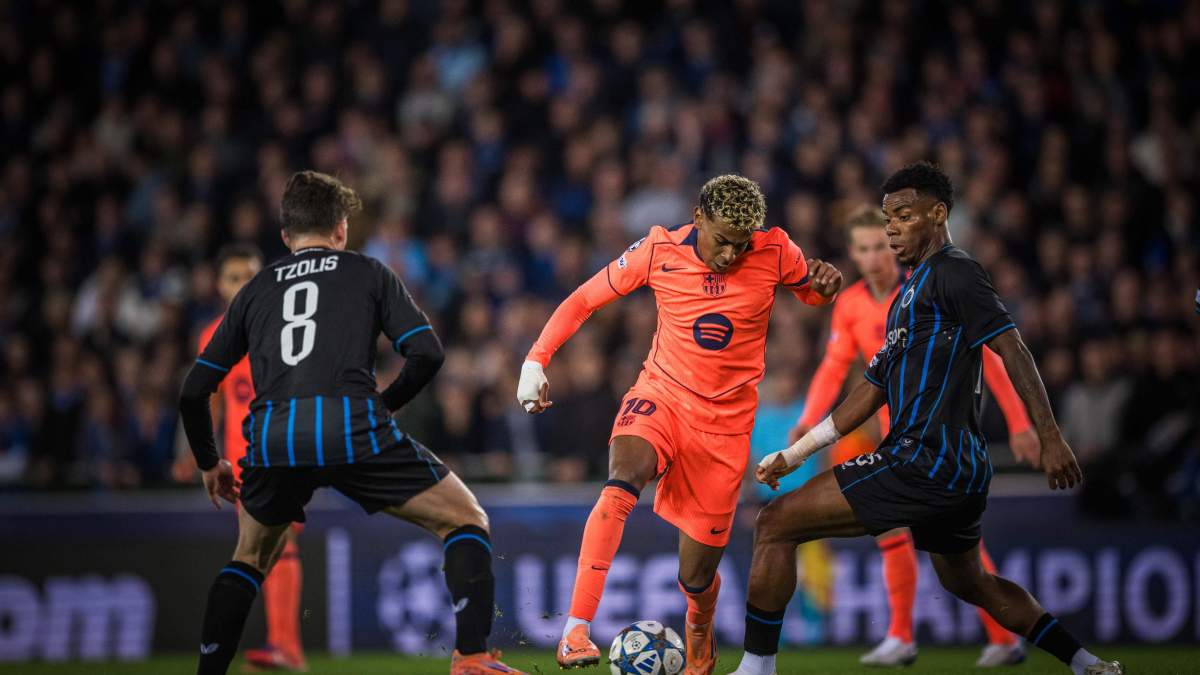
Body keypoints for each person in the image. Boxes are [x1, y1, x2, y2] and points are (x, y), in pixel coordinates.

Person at [730, 162, 1122, 675]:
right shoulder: (907, 297)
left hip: (924, 459)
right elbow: (869, 393)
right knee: (969, 581)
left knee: (775, 522)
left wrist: (1050, 436)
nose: (892, 228)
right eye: (888, 218)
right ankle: (1087, 664)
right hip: (956, 469)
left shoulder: (956, 272)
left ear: (938, 215)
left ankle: (756, 668)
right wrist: (796, 452)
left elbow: (1013, 349)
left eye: (904, 216)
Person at [178, 171, 524, 675]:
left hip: (274, 442)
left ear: (285, 235)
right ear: (341, 229)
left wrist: (210, 463)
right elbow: (427, 353)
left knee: (249, 556)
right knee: (465, 518)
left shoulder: (254, 291)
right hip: (352, 430)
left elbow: (193, 391)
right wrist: (386, 405)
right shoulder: (367, 272)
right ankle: (471, 658)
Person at [517, 174, 842, 673]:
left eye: (741, 245)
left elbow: (811, 296)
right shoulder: (657, 250)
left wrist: (824, 289)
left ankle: (699, 631)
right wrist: (536, 360)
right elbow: (584, 299)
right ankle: (575, 629)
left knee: (696, 577)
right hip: (661, 396)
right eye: (721, 241)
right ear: (698, 219)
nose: (730, 254)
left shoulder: (777, 250)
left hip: (725, 429)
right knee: (622, 479)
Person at [790, 206, 1037, 667]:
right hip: (894, 436)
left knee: (957, 547)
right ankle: (904, 635)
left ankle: (998, 637)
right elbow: (834, 367)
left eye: (879, 247)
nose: (873, 258)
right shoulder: (851, 305)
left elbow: (989, 355)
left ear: (894, 247)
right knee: (891, 533)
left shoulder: (925, 291)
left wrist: (1020, 422)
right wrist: (807, 420)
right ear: (853, 254)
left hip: (936, 435)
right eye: (863, 249)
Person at [173, 243, 309, 671]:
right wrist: (197, 453)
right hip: (240, 459)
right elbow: (208, 399)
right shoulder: (212, 334)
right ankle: (284, 646)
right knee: (267, 547)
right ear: (219, 285)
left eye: (250, 276)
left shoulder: (287, 326)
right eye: (234, 278)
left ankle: (285, 646)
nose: (243, 285)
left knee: (275, 543)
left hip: (284, 450)